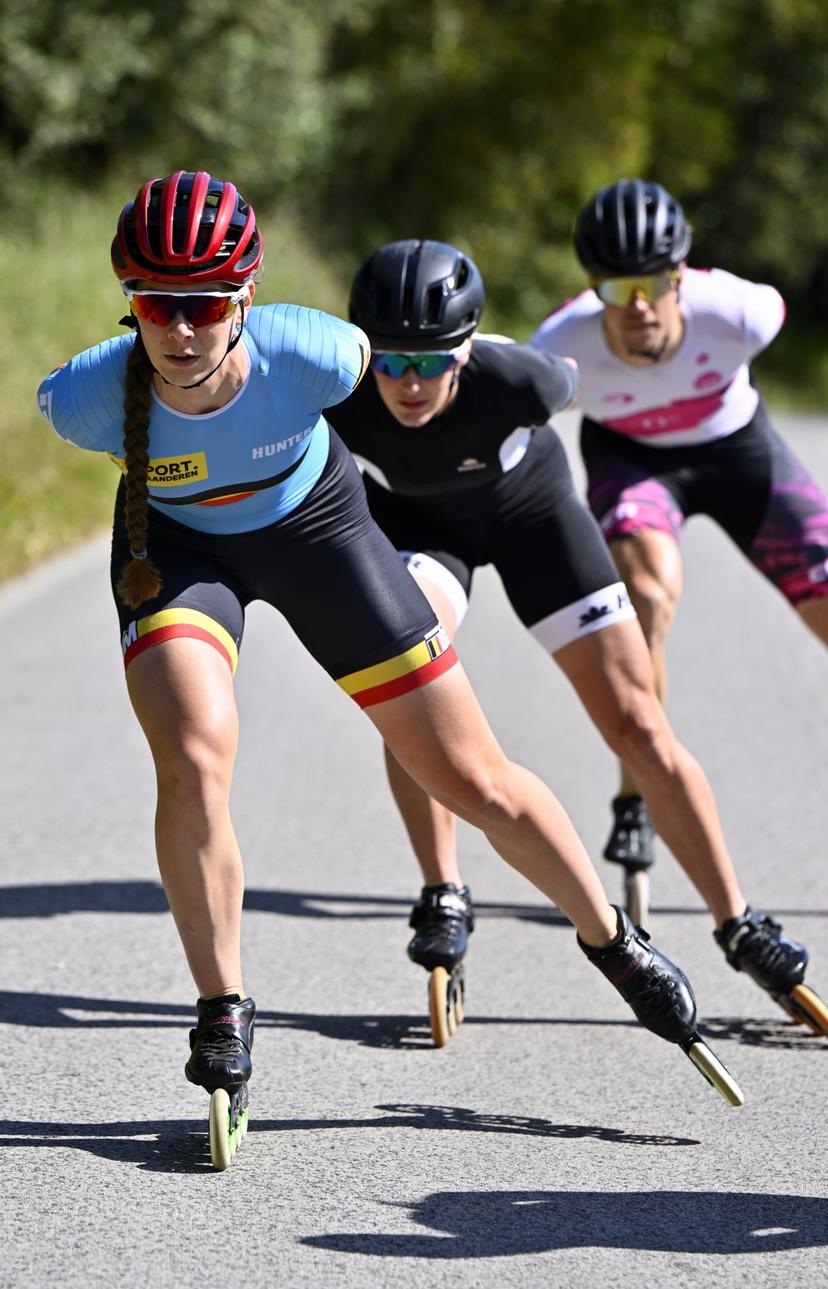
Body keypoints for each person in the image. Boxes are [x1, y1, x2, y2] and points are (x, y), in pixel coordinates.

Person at [36, 172, 726, 1111]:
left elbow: (421, 374)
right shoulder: (85, 398)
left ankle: (612, 936)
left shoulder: (315, 355)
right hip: (181, 550)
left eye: (203, 305)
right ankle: (221, 1003)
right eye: (157, 305)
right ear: (132, 305)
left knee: (471, 777)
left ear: (245, 298)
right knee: (194, 757)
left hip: (321, 535)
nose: (181, 330)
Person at [331, 236, 814, 1018]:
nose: (409, 384)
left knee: (637, 723)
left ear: (468, 349)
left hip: (532, 521)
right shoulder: (337, 388)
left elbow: (622, 395)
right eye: (390, 362)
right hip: (424, 533)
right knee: (409, 681)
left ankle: (737, 919)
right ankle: (443, 888)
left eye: (432, 362)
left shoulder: (529, 378)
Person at [531, 178, 828, 984]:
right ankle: (638, 798)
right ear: (592, 289)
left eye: (654, 285)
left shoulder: (742, 312)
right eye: (616, 290)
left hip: (740, 454)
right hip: (633, 463)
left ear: (681, 275)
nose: (637, 308)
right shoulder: (563, 344)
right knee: (650, 599)